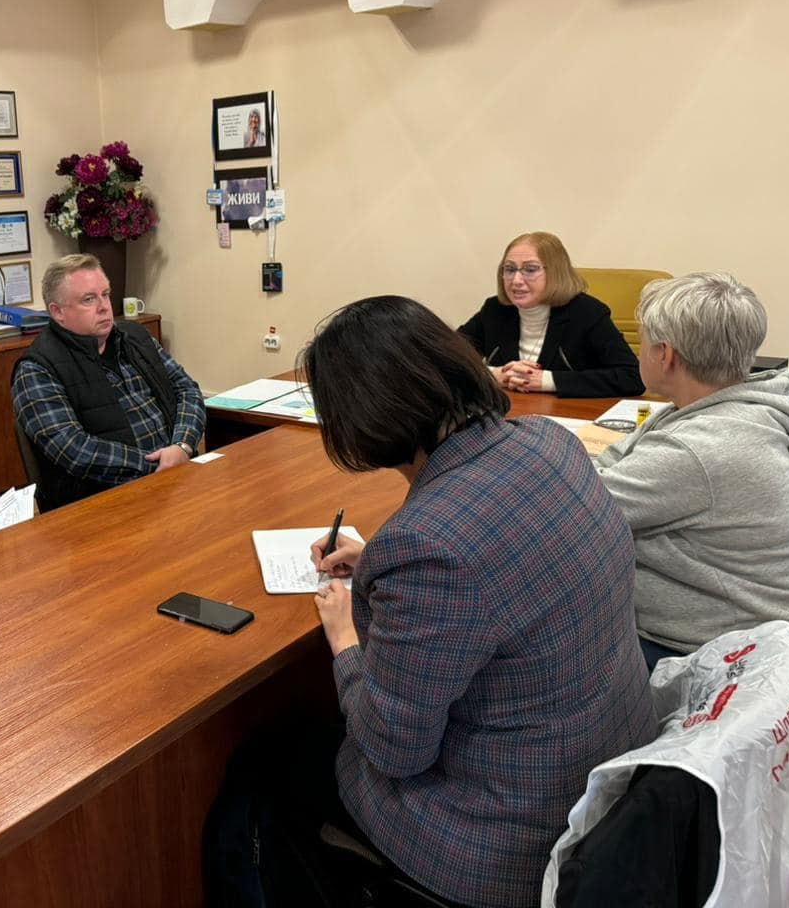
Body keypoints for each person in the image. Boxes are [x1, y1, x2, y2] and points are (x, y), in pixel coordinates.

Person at [206, 296, 655, 908]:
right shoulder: (549, 441)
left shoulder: (427, 545)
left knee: (263, 758)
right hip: (605, 782)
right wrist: (385, 573)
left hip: (505, 838)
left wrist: (345, 639)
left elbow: (394, 749)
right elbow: (512, 565)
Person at [594, 272, 789, 668]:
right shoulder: (728, 409)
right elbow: (609, 464)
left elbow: (572, 509)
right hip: (731, 625)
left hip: (716, 652)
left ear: (665, 355)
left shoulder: (698, 447)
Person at [11, 255, 205, 512]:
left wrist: (182, 445)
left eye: (105, 294)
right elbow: (75, 450)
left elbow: (186, 389)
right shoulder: (37, 368)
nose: (104, 307)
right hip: (104, 505)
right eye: (88, 299)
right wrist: (158, 465)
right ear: (57, 312)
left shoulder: (134, 337)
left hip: (174, 481)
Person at [458, 231, 643, 397]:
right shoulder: (495, 310)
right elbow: (443, 358)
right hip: (509, 414)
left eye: (530, 270)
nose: (516, 280)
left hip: (570, 417)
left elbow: (632, 377)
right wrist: (494, 375)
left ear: (555, 273)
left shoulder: (586, 313)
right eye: (510, 269)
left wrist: (546, 381)